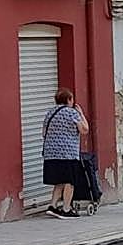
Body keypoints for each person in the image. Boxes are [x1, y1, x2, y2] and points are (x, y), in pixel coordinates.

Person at [43, 88, 90, 219]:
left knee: (59, 181)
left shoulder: (50, 113)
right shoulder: (72, 113)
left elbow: (43, 133)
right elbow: (85, 129)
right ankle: (66, 208)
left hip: (51, 153)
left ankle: (52, 205)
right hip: (68, 153)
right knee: (70, 181)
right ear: (69, 100)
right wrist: (81, 114)